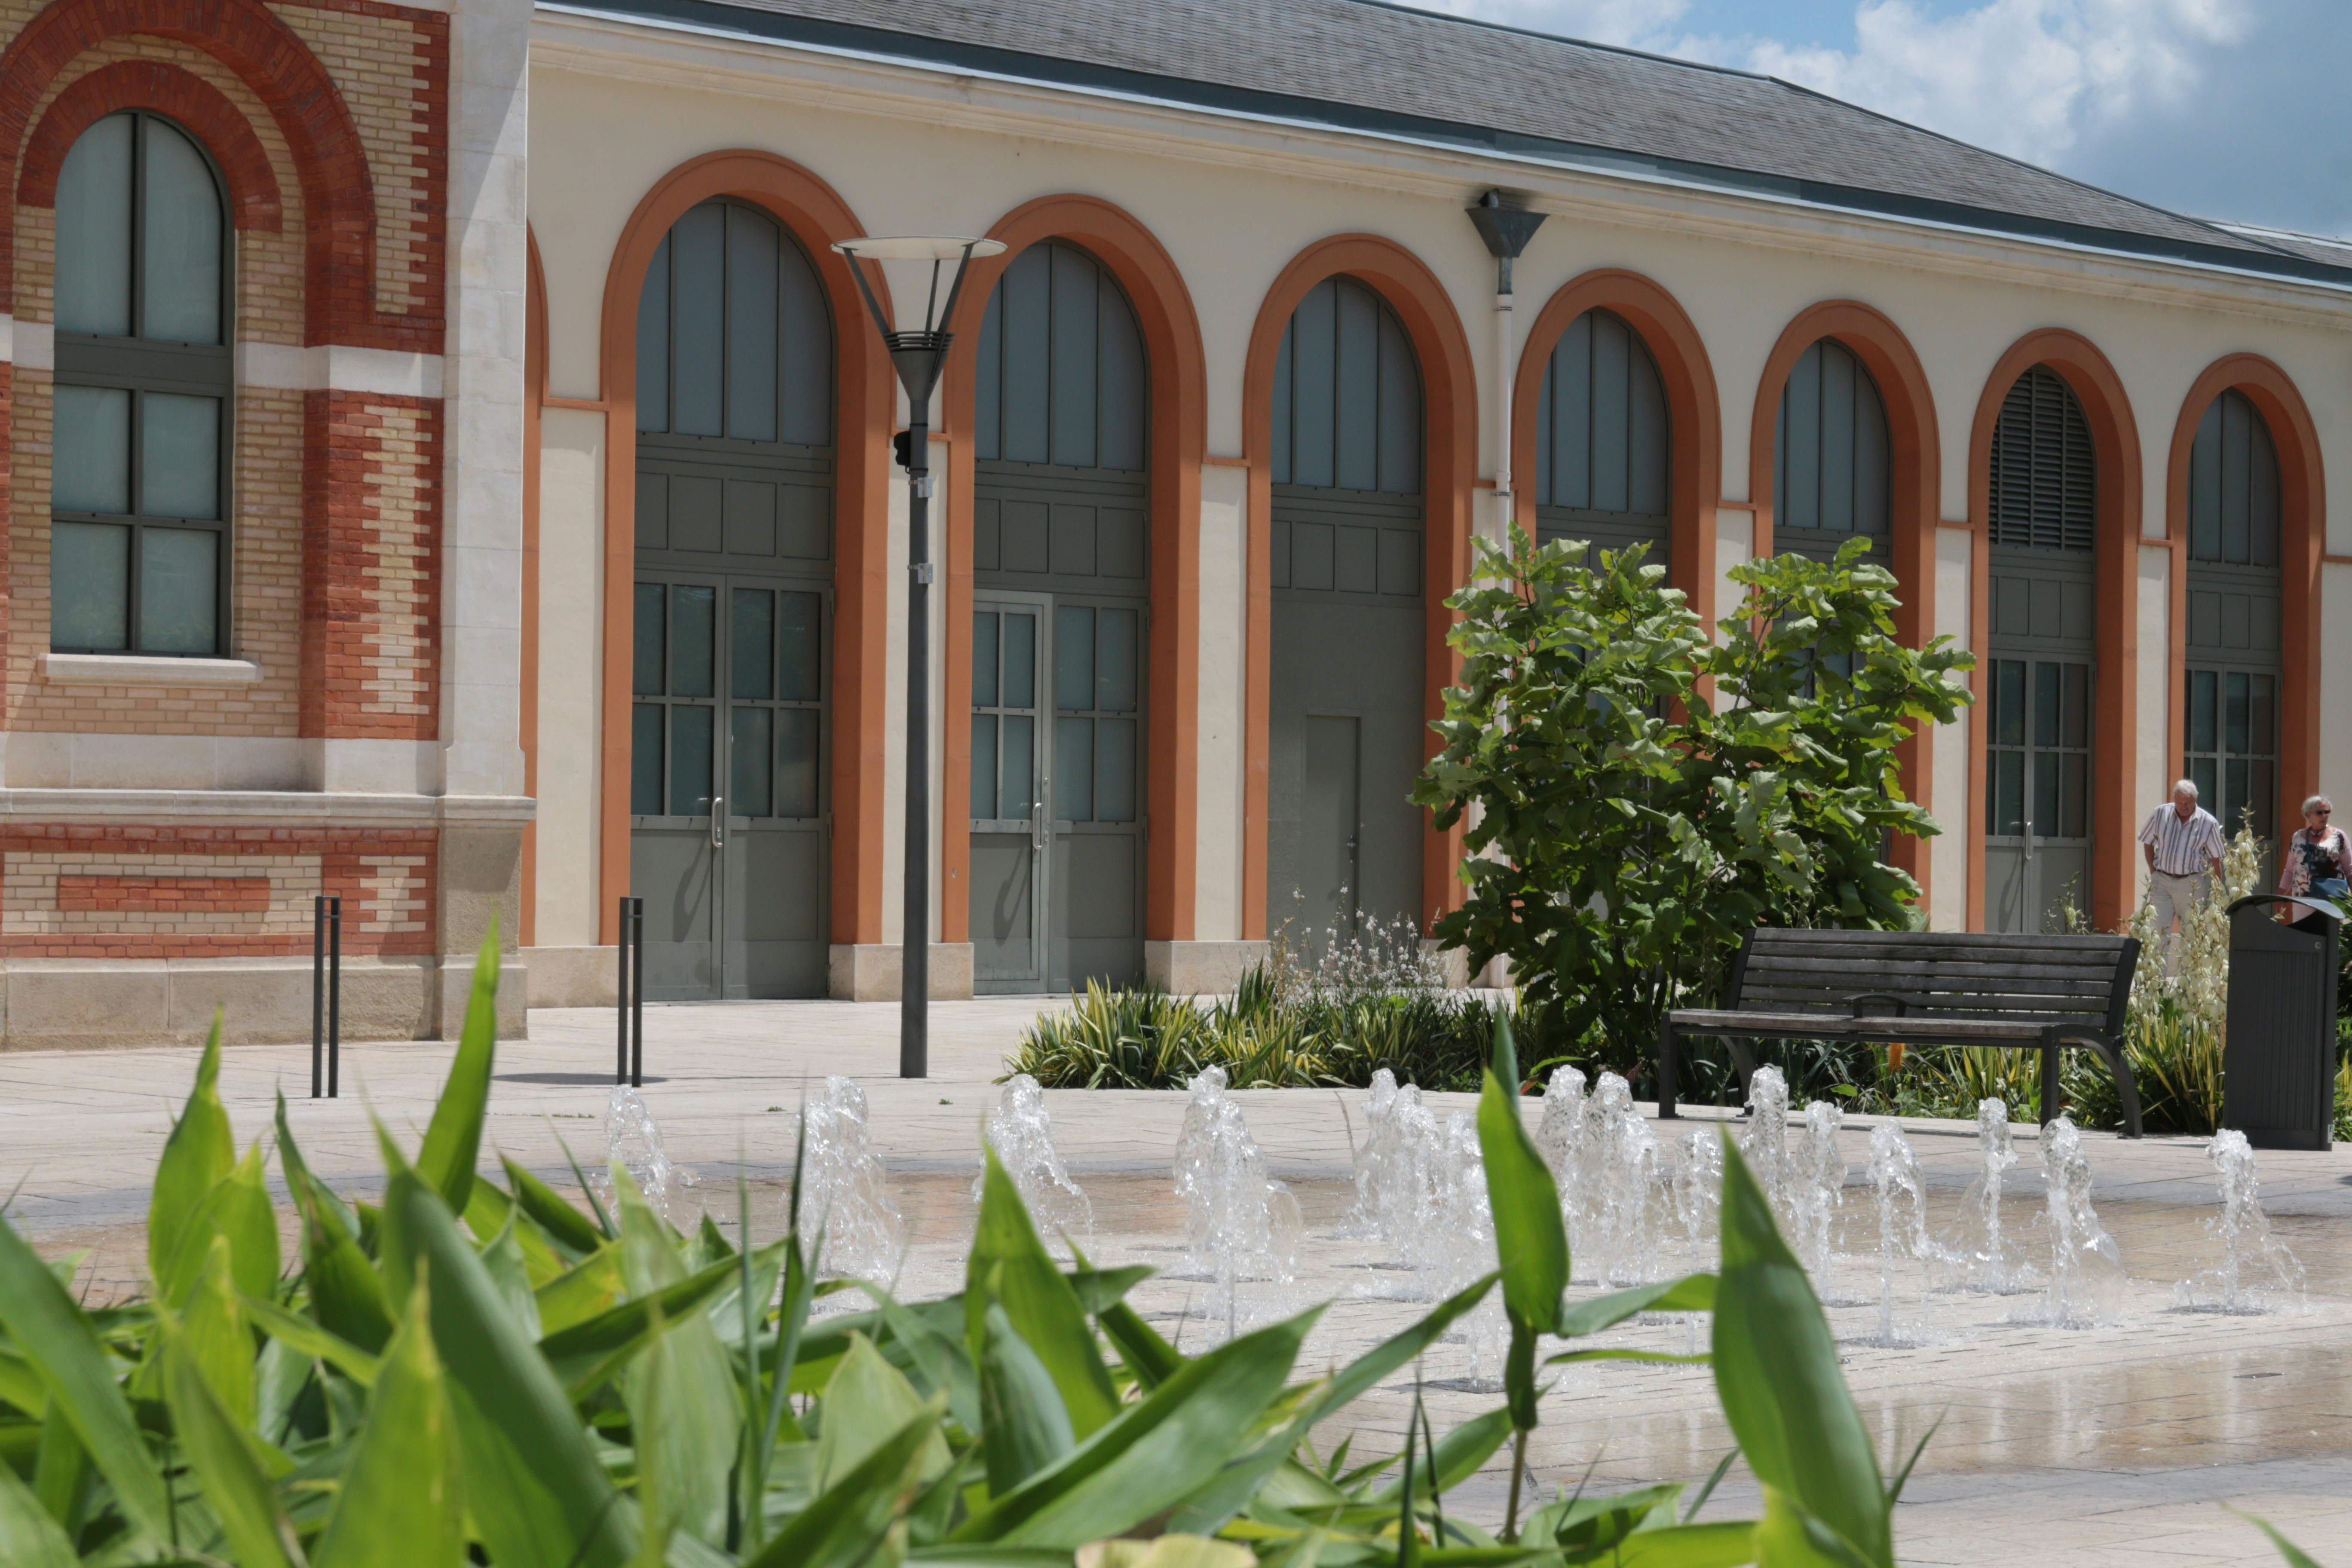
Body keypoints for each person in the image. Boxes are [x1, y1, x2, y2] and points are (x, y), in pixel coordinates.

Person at [2138, 779, 2225, 974]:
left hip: (2191, 883)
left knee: (2192, 933)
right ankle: (2157, 984)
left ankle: (2189, 985)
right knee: (2158, 933)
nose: (2184, 807)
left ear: (2196, 800)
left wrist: (2218, 891)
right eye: (2180, 802)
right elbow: (2147, 841)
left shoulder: (2208, 822)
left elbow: (2216, 859)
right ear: (2174, 799)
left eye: (2188, 803)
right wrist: (2153, 871)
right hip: (2162, 879)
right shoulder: (2161, 813)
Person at [2277, 794, 2349, 931]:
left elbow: (2350, 869)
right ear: (2308, 814)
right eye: (2320, 812)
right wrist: (2281, 896)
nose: (2324, 815)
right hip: (2303, 899)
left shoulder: (2339, 836)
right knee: (2302, 937)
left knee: (2331, 938)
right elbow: (2290, 870)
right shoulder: (2298, 837)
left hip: (2331, 898)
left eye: (2327, 812)